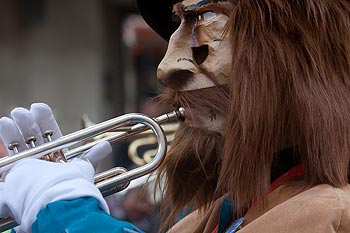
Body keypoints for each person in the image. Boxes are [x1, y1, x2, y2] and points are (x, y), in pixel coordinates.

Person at [1, 0, 350, 232]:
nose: (166, 67)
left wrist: (64, 211)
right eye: (177, 24)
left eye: (206, 16)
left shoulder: (333, 213)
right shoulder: (217, 215)